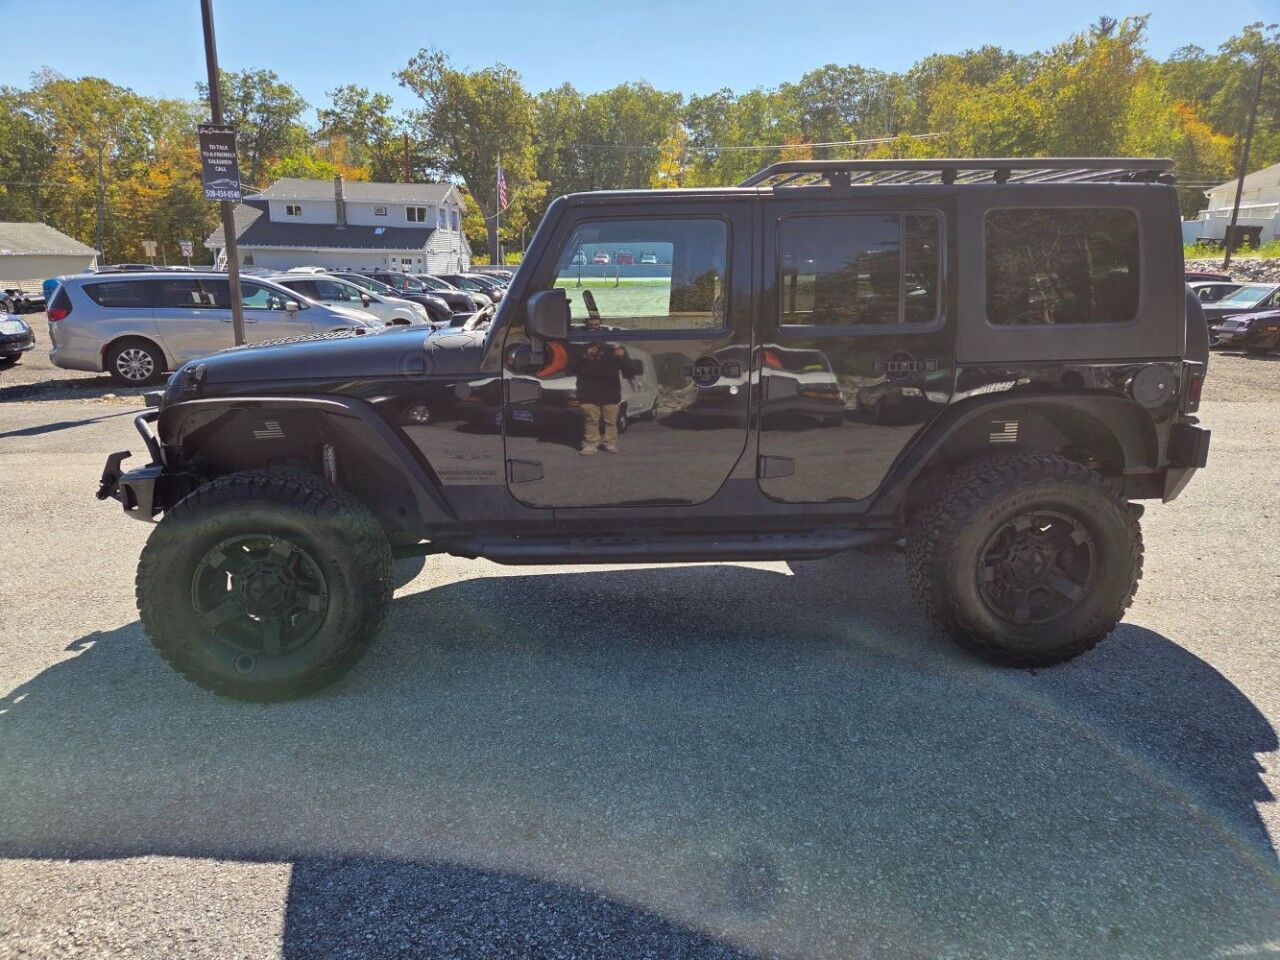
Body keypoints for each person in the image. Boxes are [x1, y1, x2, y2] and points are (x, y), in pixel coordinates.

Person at [574, 316, 639, 455]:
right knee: (591, 421)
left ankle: (610, 444)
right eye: (591, 323)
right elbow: (571, 367)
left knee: (611, 422)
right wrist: (585, 356)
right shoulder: (579, 347)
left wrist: (621, 356)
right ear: (586, 325)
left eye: (597, 324)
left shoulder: (613, 348)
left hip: (610, 392)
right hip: (588, 392)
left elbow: (629, 370)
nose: (594, 326)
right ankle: (591, 445)